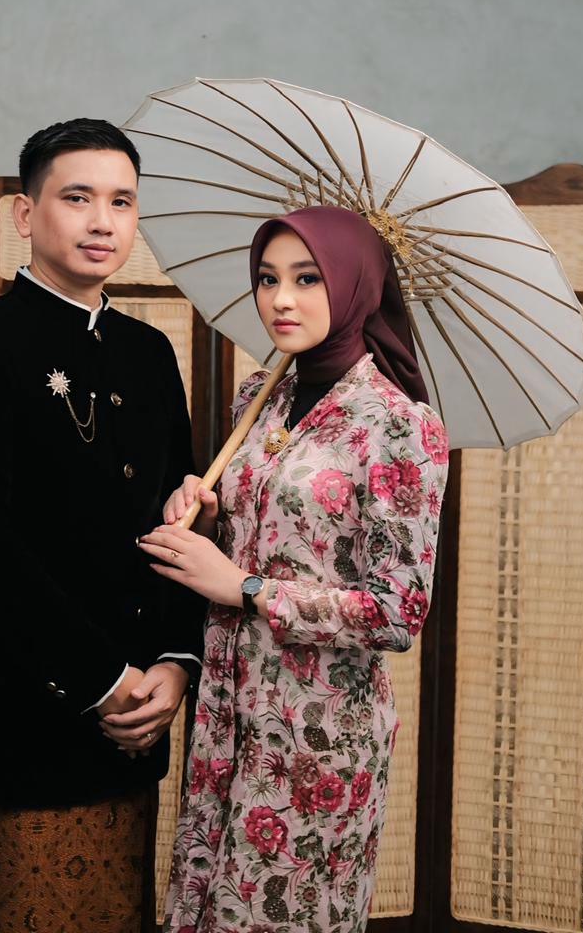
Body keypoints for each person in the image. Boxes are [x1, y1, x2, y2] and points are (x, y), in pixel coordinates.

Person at [0, 119, 204, 933]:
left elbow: (175, 527)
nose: (103, 221)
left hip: (133, 731)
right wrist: (107, 682)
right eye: (77, 198)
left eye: (122, 201)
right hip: (16, 721)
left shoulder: (149, 353)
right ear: (24, 213)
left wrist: (175, 664)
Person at [139, 205, 449, 933]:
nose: (280, 299)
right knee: (205, 903)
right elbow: (261, 530)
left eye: (308, 279)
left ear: (354, 285)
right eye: (267, 278)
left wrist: (243, 588)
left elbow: (398, 612)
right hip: (227, 705)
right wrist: (206, 512)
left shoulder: (398, 423)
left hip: (318, 730)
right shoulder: (260, 397)